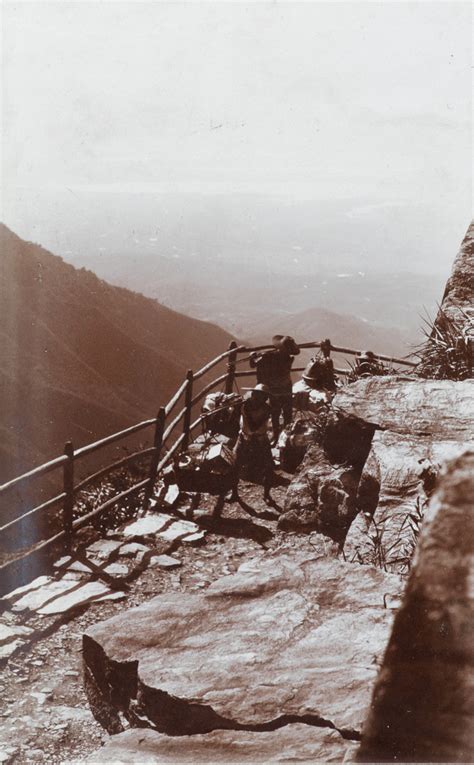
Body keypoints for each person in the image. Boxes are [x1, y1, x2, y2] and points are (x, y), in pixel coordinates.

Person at [229, 383, 275, 503]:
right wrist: (235, 406)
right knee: (234, 465)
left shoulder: (265, 409)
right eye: (255, 394)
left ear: (264, 398)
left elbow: (254, 426)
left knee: (269, 467)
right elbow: (233, 419)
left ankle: (266, 495)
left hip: (260, 439)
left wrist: (242, 406)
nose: (256, 397)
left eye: (260, 396)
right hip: (244, 437)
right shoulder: (244, 405)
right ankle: (234, 493)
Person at [250, 335, 300, 444]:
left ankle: (279, 436)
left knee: (278, 413)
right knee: (281, 413)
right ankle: (281, 435)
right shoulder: (287, 358)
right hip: (285, 387)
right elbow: (254, 363)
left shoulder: (271, 357)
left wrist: (253, 356)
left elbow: (253, 364)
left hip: (279, 389)